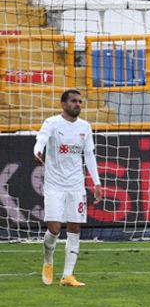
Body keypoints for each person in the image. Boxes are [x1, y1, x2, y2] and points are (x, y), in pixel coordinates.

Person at [34, 89, 103, 287]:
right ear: (63, 104)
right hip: (54, 184)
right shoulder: (52, 123)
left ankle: (67, 275)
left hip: (76, 185)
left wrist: (96, 182)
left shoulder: (85, 127)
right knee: (54, 228)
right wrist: (37, 150)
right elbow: (41, 140)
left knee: (75, 227)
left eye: (80, 101)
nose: (78, 104)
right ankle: (48, 261)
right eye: (74, 101)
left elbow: (89, 155)